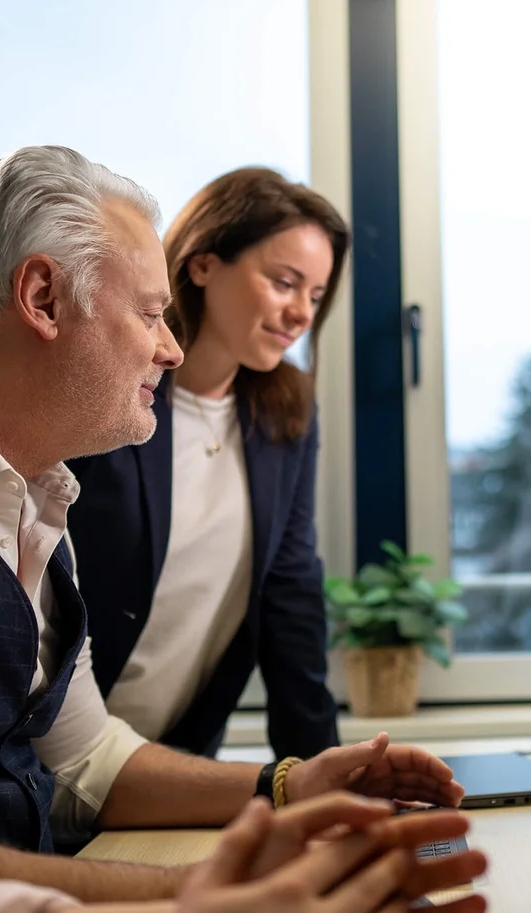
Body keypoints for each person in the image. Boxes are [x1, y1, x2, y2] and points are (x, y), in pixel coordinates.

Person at [0, 2, 485, 912]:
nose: (168, 351)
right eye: (147, 314)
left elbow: (86, 752)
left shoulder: (40, 495)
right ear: (44, 298)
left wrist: (292, 782)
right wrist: (179, 894)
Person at [67, 168, 346, 761]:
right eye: (284, 282)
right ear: (202, 264)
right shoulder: (112, 393)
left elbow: (290, 592)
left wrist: (324, 779)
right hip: (59, 759)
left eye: (316, 296)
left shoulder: (286, 414)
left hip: (182, 757)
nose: (301, 313)